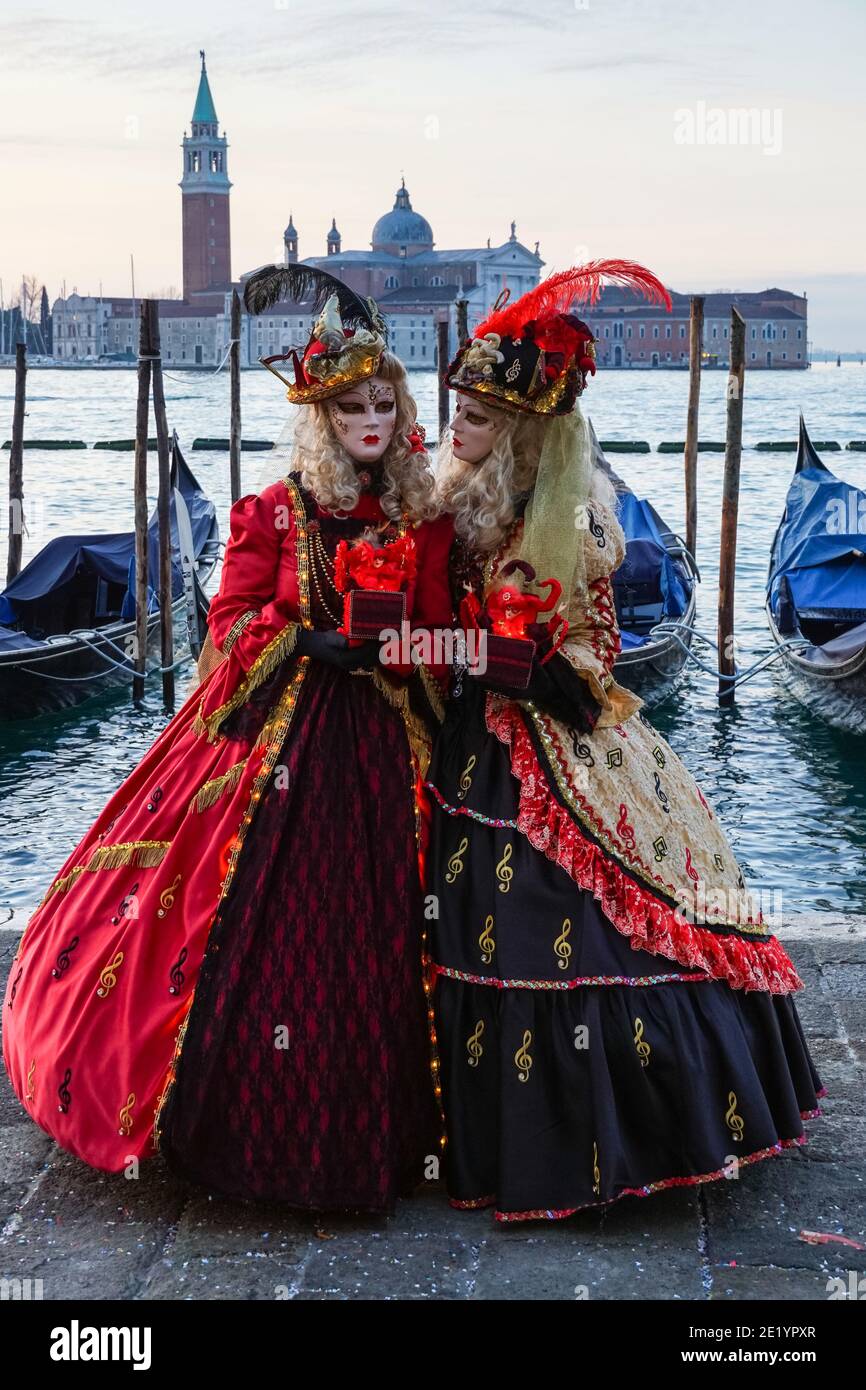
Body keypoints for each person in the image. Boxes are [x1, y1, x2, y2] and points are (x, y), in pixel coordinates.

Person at [3, 267, 453, 1214]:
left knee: (384, 932)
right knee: (268, 926)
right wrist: (311, 640)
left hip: (388, 744)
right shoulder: (275, 513)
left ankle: (392, 1131)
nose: (370, 420)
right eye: (352, 406)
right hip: (282, 739)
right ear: (323, 417)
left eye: (384, 403)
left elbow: (441, 626)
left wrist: (408, 649)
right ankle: (259, 1134)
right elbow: (229, 618)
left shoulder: (418, 516)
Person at [424, 261, 825, 1222]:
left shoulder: (561, 519)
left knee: (586, 912)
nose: (455, 432)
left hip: (560, 738)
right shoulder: (464, 504)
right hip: (483, 739)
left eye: (476, 419)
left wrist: (494, 654)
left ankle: (609, 1139)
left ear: (519, 433)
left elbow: (580, 649)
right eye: (457, 412)